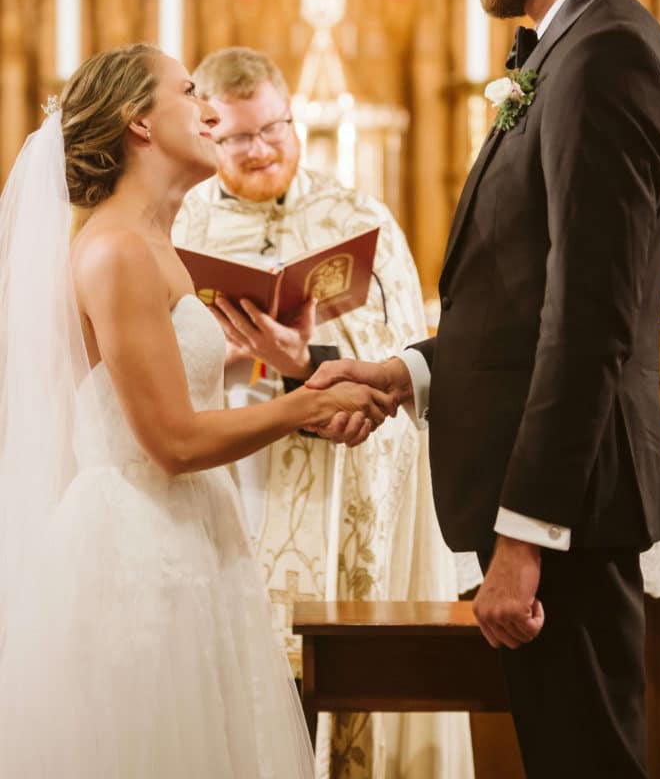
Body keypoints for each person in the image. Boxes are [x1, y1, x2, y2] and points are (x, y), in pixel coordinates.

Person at [309, 0, 660, 778]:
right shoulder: (563, 53)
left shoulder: (605, 55)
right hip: (556, 505)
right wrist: (407, 370)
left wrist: (527, 537)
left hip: (569, 514)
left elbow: (591, 318)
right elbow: (526, 307)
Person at [0, 43, 398, 778]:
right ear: (138, 125)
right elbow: (172, 440)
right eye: (188, 92)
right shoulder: (115, 250)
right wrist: (308, 401)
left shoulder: (159, 246)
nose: (209, 109)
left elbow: (173, 387)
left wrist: (286, 360)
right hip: (135, 548)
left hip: (192, 534)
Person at [172, 46, 479, 779]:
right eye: (239, 135)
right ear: (205, 132)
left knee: (334, 695)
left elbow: (404, 351)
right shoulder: (178, 228)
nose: (263, 148)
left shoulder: (358, 219)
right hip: (224, 489)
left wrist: (302, 366)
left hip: (341, 489)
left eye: (276, 127)